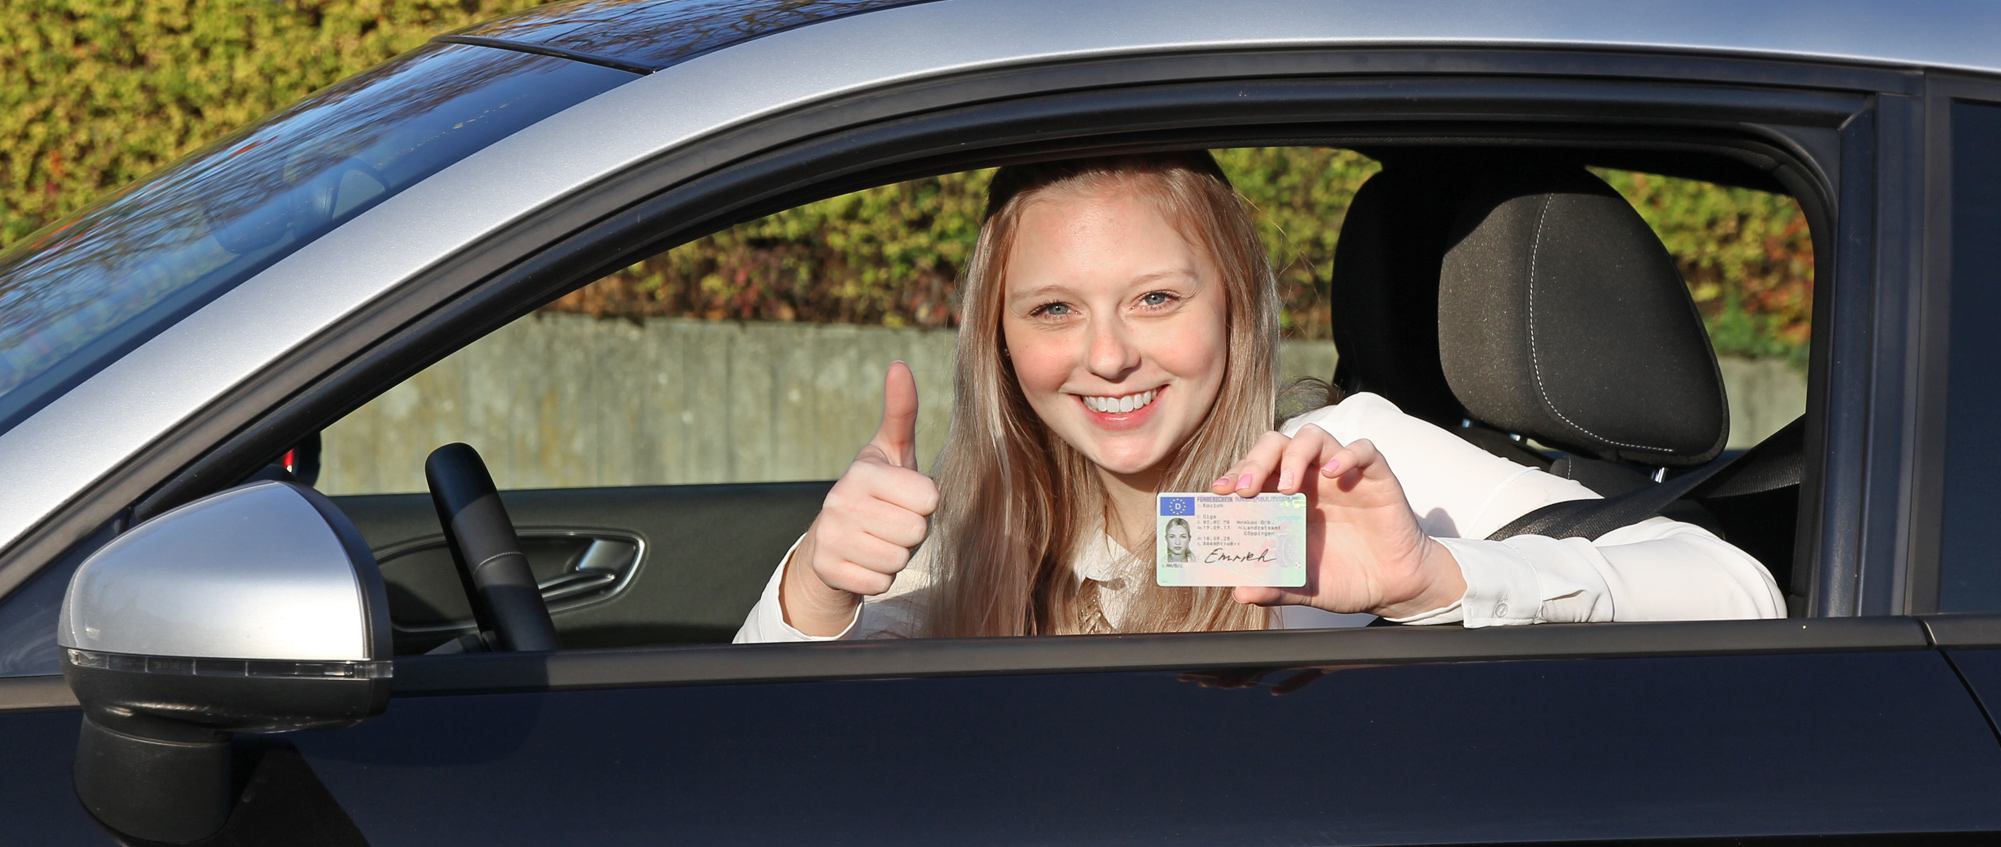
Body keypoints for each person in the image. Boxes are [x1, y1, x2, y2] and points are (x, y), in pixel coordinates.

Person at [736, 152, 1782, 642]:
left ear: (1234, 307)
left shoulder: (1326, 460)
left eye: (1154, 298)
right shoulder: (984, 516)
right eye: (1052, 310)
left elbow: (1734, 592)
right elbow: (754, 741)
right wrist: (818, 587)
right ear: (997, 343)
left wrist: (1428, 578)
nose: (1105, 356)